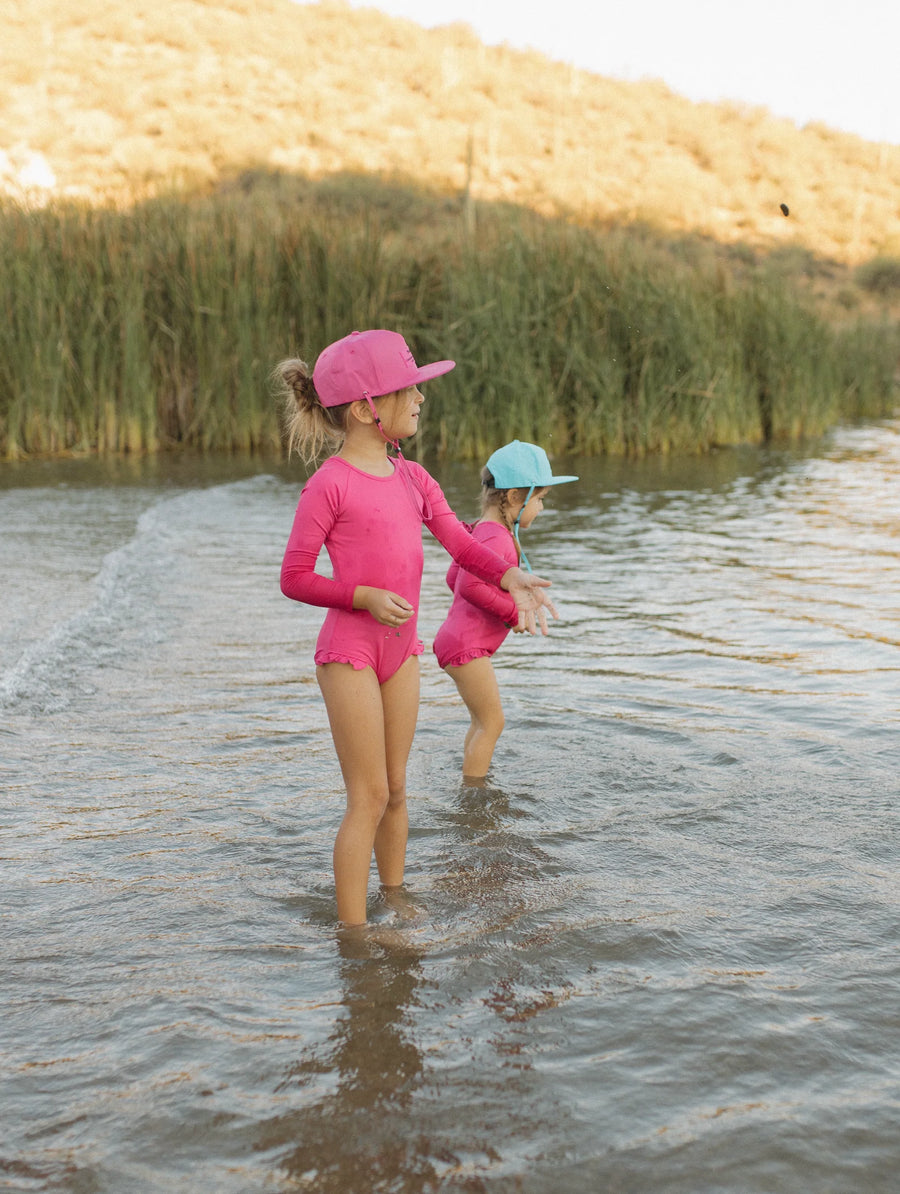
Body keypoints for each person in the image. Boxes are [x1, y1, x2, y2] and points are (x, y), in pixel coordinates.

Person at [276, 330, 557, 927]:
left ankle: (395, 898)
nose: (421, 398)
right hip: (349, 654)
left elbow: (459, 540)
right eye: (409, 389)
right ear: (365, 409)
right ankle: (355, 937)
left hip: (401, 653)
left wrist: (508, 575)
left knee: (398, 790)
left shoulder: (414, 477)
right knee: (369, 796)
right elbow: (294, 577)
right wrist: (362, 597)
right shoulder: (329, 484)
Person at [433, 440, 577, 781]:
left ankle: (471, 780)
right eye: (539, 499)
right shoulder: (497, 537)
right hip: (467, 648)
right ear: (514, 497)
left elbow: (454, 578)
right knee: (493, 722)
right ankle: (474, 793)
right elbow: (469, 586)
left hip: (455, 642)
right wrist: (513, 614)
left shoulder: (479, 532)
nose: (541, 507)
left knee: (481, 722)